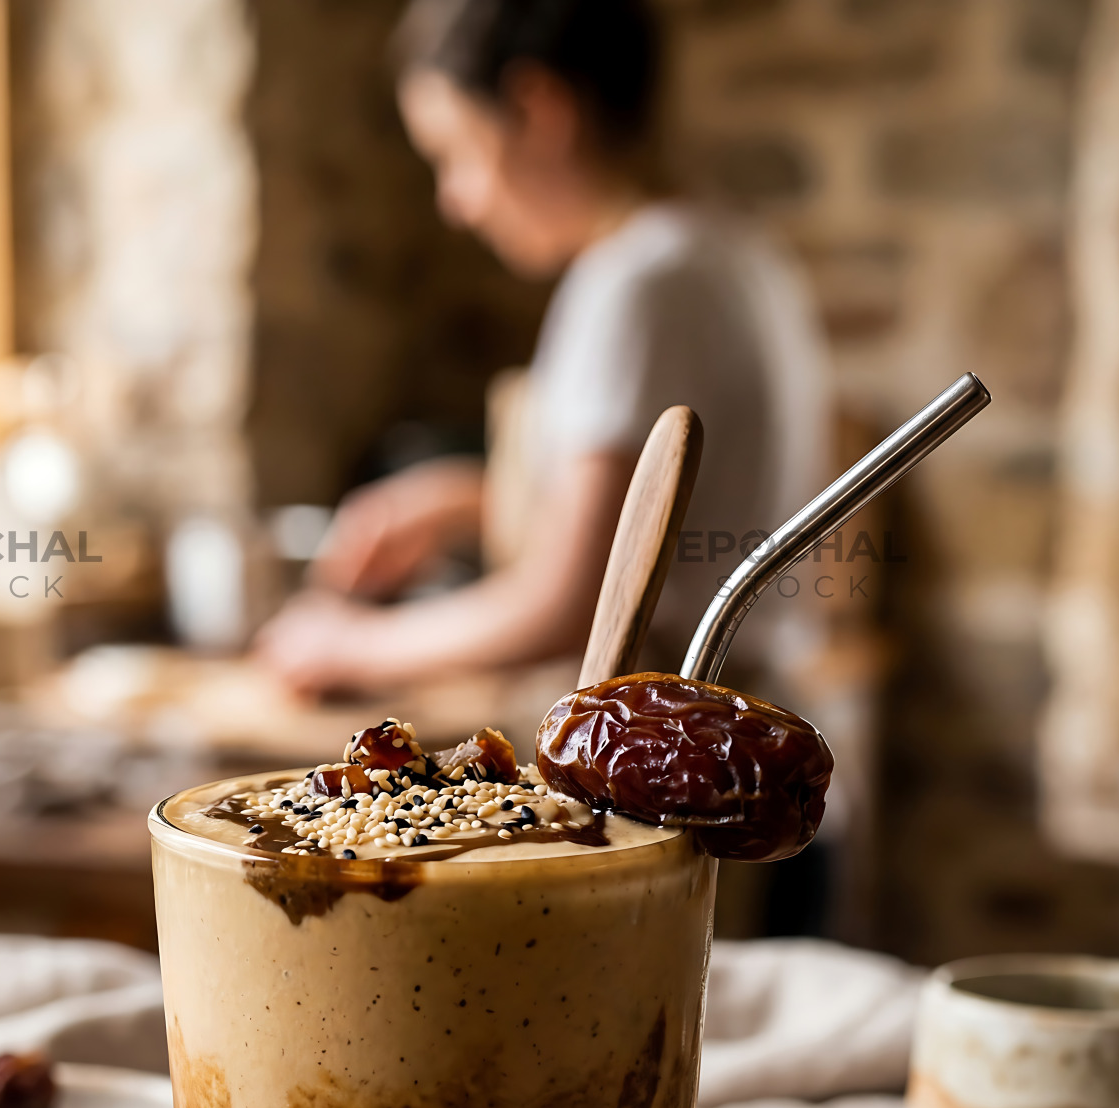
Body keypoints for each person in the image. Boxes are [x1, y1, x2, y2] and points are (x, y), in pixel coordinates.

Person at [257, 0, 828, 698]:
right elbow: (655, 516)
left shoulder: (637, 282)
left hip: (675, 753)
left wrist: (349, 645)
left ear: (540, 110)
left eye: (455, 153)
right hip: (741, 727)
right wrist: (461, 505)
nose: (453, 202)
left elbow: (569, 608)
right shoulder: (726, 253)